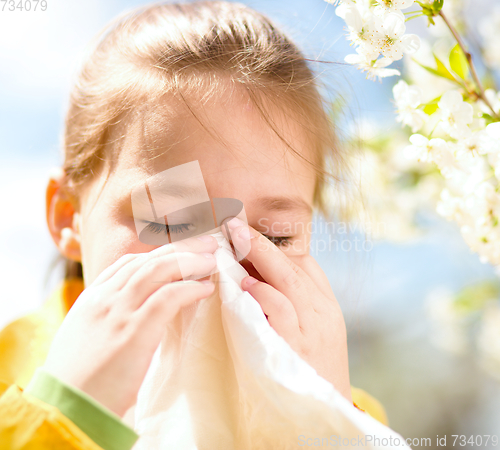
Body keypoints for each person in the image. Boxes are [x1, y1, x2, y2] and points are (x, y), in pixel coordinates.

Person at [0, 1, 389, 449]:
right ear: (69, 217)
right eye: (173, 222)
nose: (226, 263)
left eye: (275, 235)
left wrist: (325, 417)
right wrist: (65, 417)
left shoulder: (350, 415)